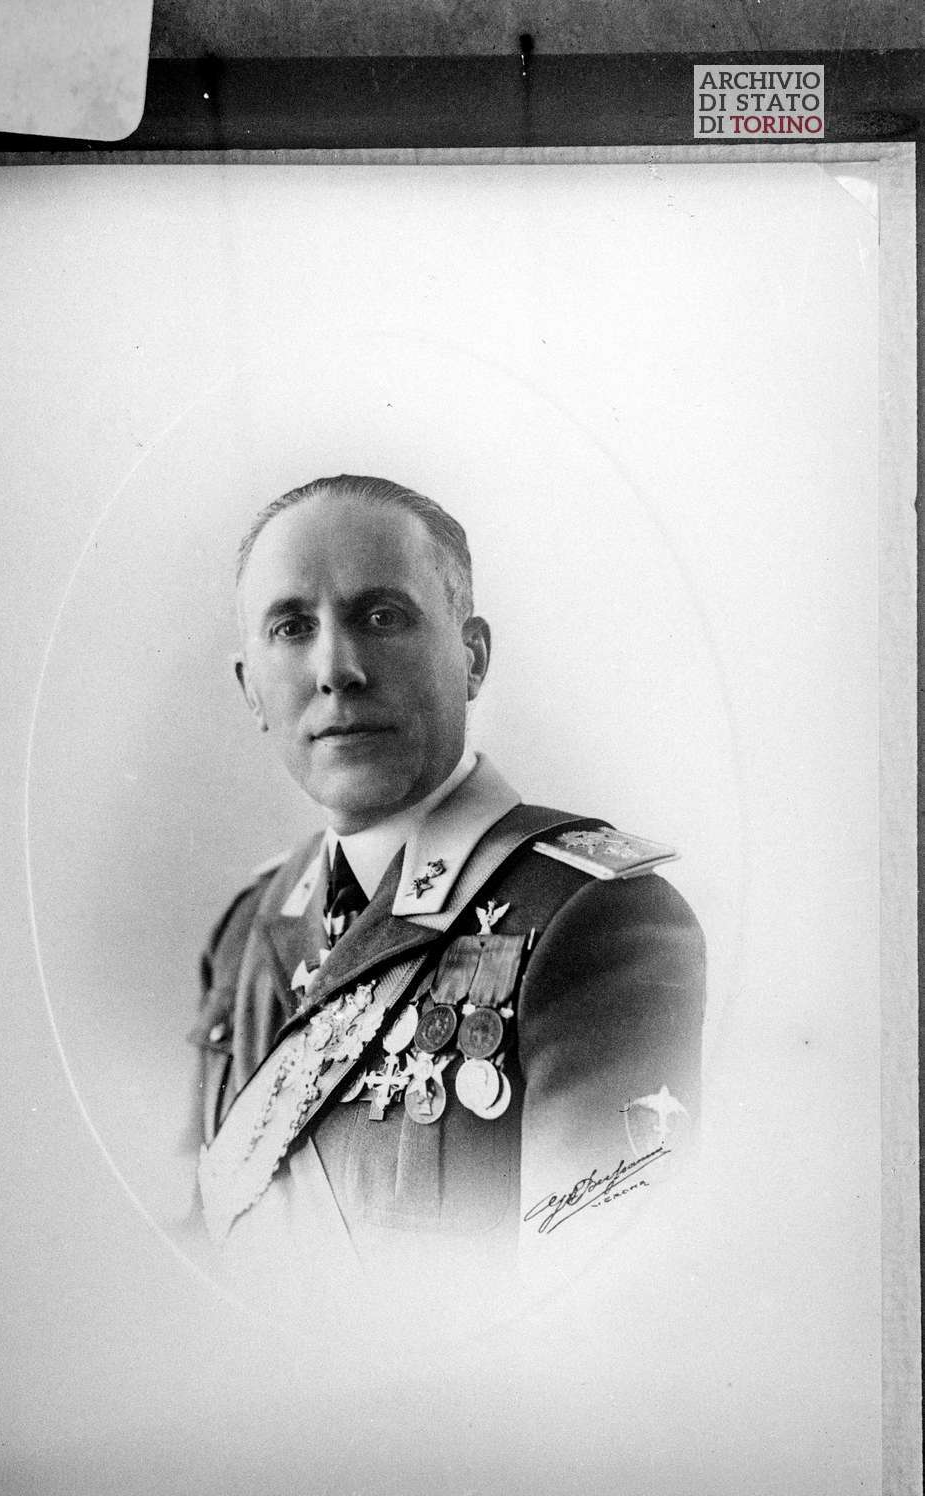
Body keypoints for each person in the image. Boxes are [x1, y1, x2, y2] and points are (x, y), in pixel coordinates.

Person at [191, 474, 705, 1296]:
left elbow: (598, 1306)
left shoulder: (593, 917)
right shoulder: (249, 928)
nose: (337, 669)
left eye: (381, 617)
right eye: (292, 628)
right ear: (250, 686)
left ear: (472, 658)